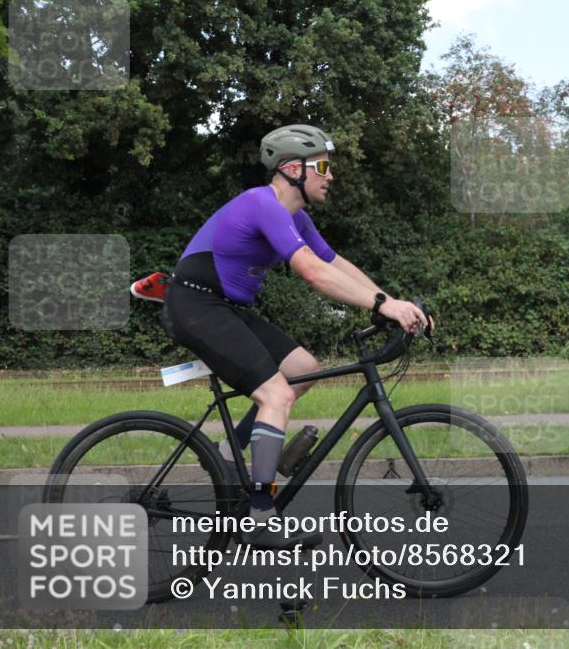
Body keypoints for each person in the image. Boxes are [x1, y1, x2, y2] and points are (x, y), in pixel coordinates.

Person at [160, 124, 430, 549]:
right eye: (322, 165)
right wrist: (382, 305)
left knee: (303, 370)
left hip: (226, 308)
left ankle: (230, 458)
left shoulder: (295, 217)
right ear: (291, 169)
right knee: (276, 396)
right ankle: (260, 516)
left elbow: (333, 262)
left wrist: (391, 301)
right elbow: (313, 273)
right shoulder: (262, 203)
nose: (331, 175)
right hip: (195, 305)